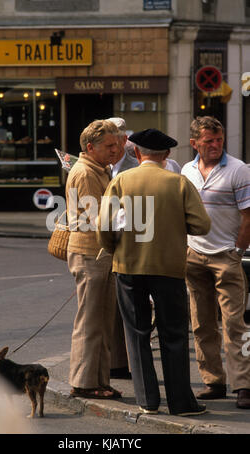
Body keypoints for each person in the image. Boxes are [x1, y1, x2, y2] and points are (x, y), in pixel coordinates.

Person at [97, 128, 211, 416]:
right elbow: (202, 226)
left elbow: (104, 227)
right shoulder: (179, 183)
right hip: (169, 268)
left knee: (137, 333)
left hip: (129, 266)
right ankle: (181, 403)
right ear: (167, 155)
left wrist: (115, 248)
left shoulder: (121, 181)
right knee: (173, 334)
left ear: (136, 153)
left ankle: (147, 401)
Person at [181, 116, 250, 408]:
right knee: (201, 323)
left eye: (219, 139)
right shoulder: (186, 171)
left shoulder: (239, 170)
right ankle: (213, 381)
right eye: (209, 141)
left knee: (235, 323)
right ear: (194, 143)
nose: (215, 145)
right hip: (193, 255)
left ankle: (244, 385)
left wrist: (237, 250)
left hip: (225, 255)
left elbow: (248, 216)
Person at [66, 119, 122, 399]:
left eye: (117, 144)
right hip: (91, 253)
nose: (116, 149)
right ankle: (85, 383)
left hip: (98, 253)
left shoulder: (98, 168)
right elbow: (96, 217)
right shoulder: (87, 172)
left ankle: (97, 380)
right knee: (91, 321)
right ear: (91, 147)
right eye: (109, 145)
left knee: (101, 320)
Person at [107, 117, 138, 379]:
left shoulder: (133, 167)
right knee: (110, 308)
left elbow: (133, 212)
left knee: (128, 308)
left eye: (114, 143)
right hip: (106, 242)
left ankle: (129, 365)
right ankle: (115, 362)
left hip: (124, 242)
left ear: (124, 141)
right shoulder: (100, 165)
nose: (111, 149)